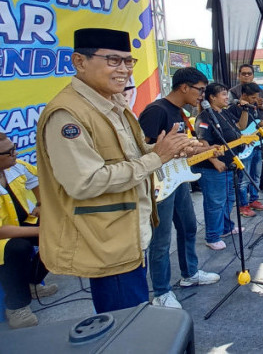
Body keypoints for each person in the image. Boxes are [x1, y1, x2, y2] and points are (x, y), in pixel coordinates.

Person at [37, 28, 195, 313]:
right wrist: (156, 158)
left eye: (128, 61)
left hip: (128, 232)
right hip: (107, 242)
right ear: (79, 62)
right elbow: (85, 181)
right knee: (126, 326)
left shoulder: (113, 102)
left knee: (133, 320)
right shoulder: (68, 114)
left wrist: (171, 149)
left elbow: (128, 155)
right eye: (113, 61)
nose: (124, 70)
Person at [138, 67, 220, 309]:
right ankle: (161, 292)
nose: (202, 97)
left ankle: (190, 273)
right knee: (161, 239)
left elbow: (180, 148)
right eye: (200, 90)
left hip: (179, 178)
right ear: (184, 87)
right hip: (160, 183)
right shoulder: (156, 111)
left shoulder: (180, 113)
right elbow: (143, 150)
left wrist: (203, 149)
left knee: (188, 226)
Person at [0, 133, 56, 328]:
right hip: (4, 235)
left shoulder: (17, 166)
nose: (15, 153)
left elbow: (37, 181)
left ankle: (33, 282)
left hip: (21, 224)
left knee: (61, 233)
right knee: (18, 248)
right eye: (9, 152)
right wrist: (40, 231)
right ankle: (16, 308)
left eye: (14, 147)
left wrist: (40, 205)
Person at [193, 83, 248, 251]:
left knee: (229, 198)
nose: (227, 97)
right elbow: (204, 142)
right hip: (212, 168)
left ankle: (225, 228)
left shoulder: (224, 113)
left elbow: (240, 128)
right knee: (215, 202)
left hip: (230, 165)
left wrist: (245, 110)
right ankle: (212, 236)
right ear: (212, 97)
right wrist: (214, 161)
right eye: (223, 94)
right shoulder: (204, 117)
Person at [231, 64, 263, 191]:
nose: (246, 76)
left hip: (260, 127)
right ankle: (243, 191)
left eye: (249, 73)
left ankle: (261, 183)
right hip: (243, 132)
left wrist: (259, 106)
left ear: (253, 75)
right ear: (239, 75)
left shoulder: (260, 90)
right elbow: (231, 108)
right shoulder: (233, 92)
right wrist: (249, 105)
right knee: (245, 164)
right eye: (243, 73)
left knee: (260, 159)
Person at [226, 83, 263, 216]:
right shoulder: (234, 108)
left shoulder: (253, 107)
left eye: (257, 97)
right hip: (244, 147)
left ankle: (254, 200)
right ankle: (243, 205)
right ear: (243, 95)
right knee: (244, 179)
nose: (256, 100)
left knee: (256, 176)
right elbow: (239, 128)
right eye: (253, 97)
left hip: (255, 145)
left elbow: (256, 123)